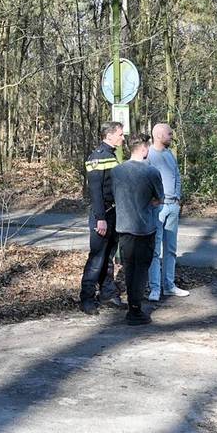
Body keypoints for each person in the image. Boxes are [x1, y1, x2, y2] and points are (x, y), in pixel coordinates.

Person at [111, 134, 165, 325]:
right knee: (141, 270)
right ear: (143, 149)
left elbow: (113, 195)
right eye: (147, 148)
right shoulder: (151, 172)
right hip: (144, 228)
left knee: (129, 268)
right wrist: (148, 203)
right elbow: (160, 199)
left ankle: (132, 307)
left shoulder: (116, 171)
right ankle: (135, 310)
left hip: (123, 227)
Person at [80, 121, 125, 315]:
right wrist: (100, 218)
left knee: (108, 257)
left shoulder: (112, 156)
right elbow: (96, 191)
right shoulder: (97, 158)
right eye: (120, 134)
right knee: (97, 258)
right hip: (103, 215)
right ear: (109, 135)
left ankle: (107, 293)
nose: (123, 137)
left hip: (113, 213)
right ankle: (87, 298)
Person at [147, 123, 189, 302]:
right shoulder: (148, 155)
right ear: (158, 135)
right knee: (155, 251)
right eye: (169, 133)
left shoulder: (170, 154)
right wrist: (152, 201)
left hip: (173, 206)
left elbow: (177, 176)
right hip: (157, 208)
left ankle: (169, 285)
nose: (172, 135)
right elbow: (143, 180)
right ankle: (155, 288)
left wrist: (177, 199)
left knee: (171, 250)